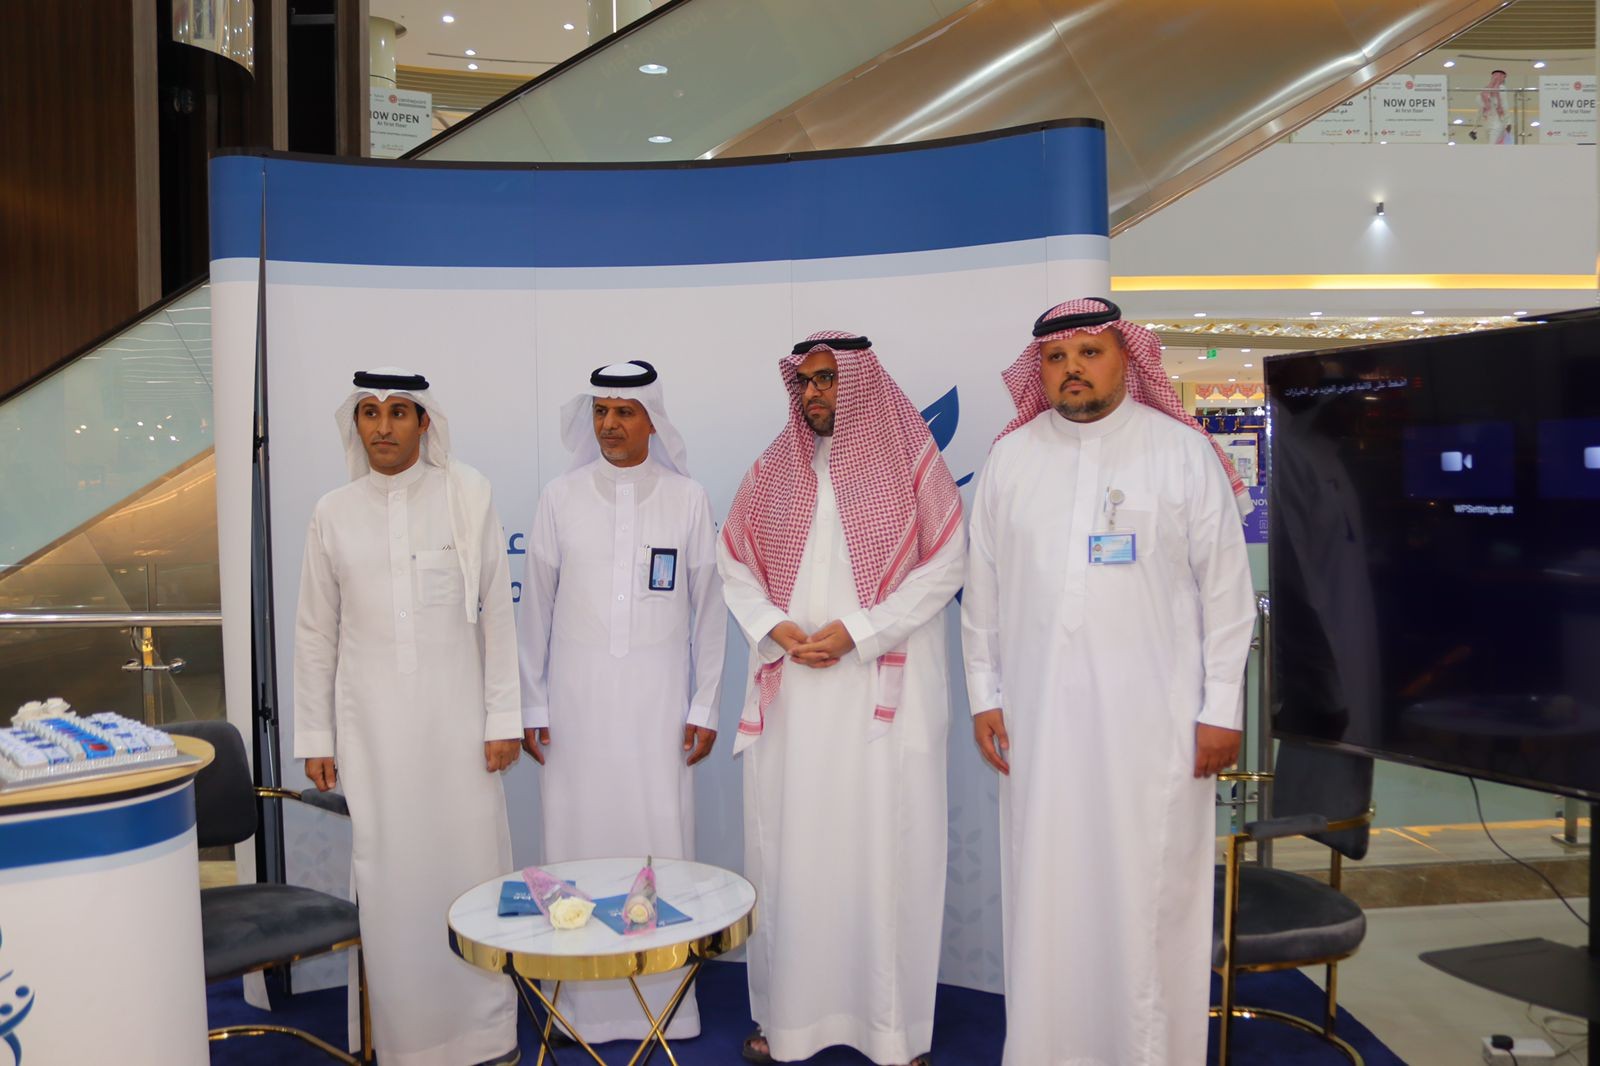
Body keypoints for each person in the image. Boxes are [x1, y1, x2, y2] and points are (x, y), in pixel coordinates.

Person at [961, 298, 1257, 1065]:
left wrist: (1222, 710)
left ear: (1126, 357)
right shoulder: (1011, 459)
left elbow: (1228, 597)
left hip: (1156, 730)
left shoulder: (1180, 453)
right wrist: (985, 696)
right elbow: (983, 594)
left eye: (1089, 353)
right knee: (1048, 892)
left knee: (1150, 896)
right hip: (1039, 726)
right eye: (1056, 358)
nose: (1072, 370)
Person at [719, 331, 964, 1066]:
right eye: (807, 382)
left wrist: (857, 633)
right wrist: (775, 626)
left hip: (883, 694)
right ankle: (790, 1021)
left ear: (858, 382)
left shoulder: (910, 461)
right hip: (795, 695)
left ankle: (893, 1033)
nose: (816, 393)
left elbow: (945, 564)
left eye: (828, 379)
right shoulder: (774, 469)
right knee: (792, 854)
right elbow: (734, 561)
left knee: (888, 853)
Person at [294, 368, 521, 1066]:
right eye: (370, 412)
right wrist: (316, 735)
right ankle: (405, 1042)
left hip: (460, 732)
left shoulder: (467, 494)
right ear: (355, 424)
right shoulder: (333, 512)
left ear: (425, 422)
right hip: (373, 736)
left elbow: (497, 614)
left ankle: (485, 1034)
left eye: (398, 412)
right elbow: (315, 633)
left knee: (470, 871)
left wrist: (503, 719)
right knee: (389, 885)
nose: (383, 426)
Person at [517, 360, 725, 1043]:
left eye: (624, 411)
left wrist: (704, 705)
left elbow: (709, 615)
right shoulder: (560, 497)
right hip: (575, 711)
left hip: (658, 709)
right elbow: (535, 613)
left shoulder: (687, 499)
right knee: (576, 845)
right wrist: (533, 706)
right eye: (601, 410)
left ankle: (664, 1008)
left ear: (651, 420)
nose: (609, 424)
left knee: (656, 844)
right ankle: (577, 1007)